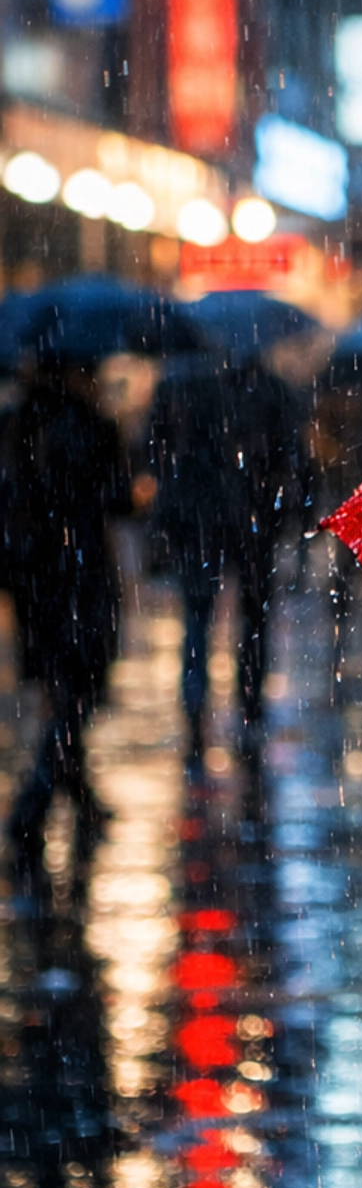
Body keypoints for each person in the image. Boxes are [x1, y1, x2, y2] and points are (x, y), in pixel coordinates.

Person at [0, 351, 131, 872]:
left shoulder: (16, 422)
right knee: (79, 695)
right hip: (80, 574)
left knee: (63, 692)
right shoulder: (91, 425)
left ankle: (82, 800)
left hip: (33, 578)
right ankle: (30, 809)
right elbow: (119, 499)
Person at [144, 350, 307, 761]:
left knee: (201, 616)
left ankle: (197, 706)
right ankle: (246, 708)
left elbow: (156, 451)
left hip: (204, 519)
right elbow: (294, 457)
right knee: (250, 618)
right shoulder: (270, 389)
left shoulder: (185, 385)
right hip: (250, 519)